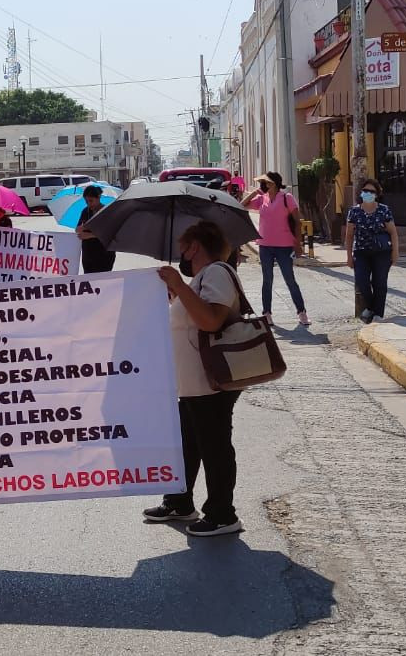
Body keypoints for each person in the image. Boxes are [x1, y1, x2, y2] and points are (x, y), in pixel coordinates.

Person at [146, 220, 244, 537]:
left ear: (194, 246)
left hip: (210, 382)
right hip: (192, 382)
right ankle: (179, 501)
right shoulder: (203, 277)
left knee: (214, 445)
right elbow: (191, 317)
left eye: (183, 248)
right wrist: (177, 293)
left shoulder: (216, 272)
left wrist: (180, 285)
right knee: (186, 444)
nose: (182, 255)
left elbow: (211, 321)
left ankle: (222, 513)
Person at [243, 173, 309, 326]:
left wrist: (298, 243)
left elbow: (297, 222)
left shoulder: (287, 198)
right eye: (263, 183)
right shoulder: (261, 199)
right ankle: (267, 313)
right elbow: (242, 205)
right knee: (267, 280)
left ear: (276, 184)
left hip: (284, 246)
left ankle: (301, 312)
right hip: (265, 245)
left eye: (268, 183)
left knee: (290, 279)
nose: (265, 186)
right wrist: (253, 193)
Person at [345, 178, 401, 324]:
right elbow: (349, 235)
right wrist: (349, 256)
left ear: (377, 194)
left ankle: (378, 314)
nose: (368, 193)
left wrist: (395, 252)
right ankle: (370, 307)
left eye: (371, 191)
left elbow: (393, 232)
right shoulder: (354, 211)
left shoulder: (384, 210)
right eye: (365, 191)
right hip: (361, 252)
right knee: (362, 282)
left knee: (379, 282)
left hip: (381, 252)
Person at [74, 185, 116, 273]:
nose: (89, 204)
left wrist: (90, 235)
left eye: (91, 201)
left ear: (99, 197)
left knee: (102, 281)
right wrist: (81, 228)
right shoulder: (85, 211)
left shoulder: (106, 211)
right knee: (89, 282)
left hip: (104, 254)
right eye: (86, 201)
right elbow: (77, 229)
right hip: (88, 255)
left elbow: (110, 233)